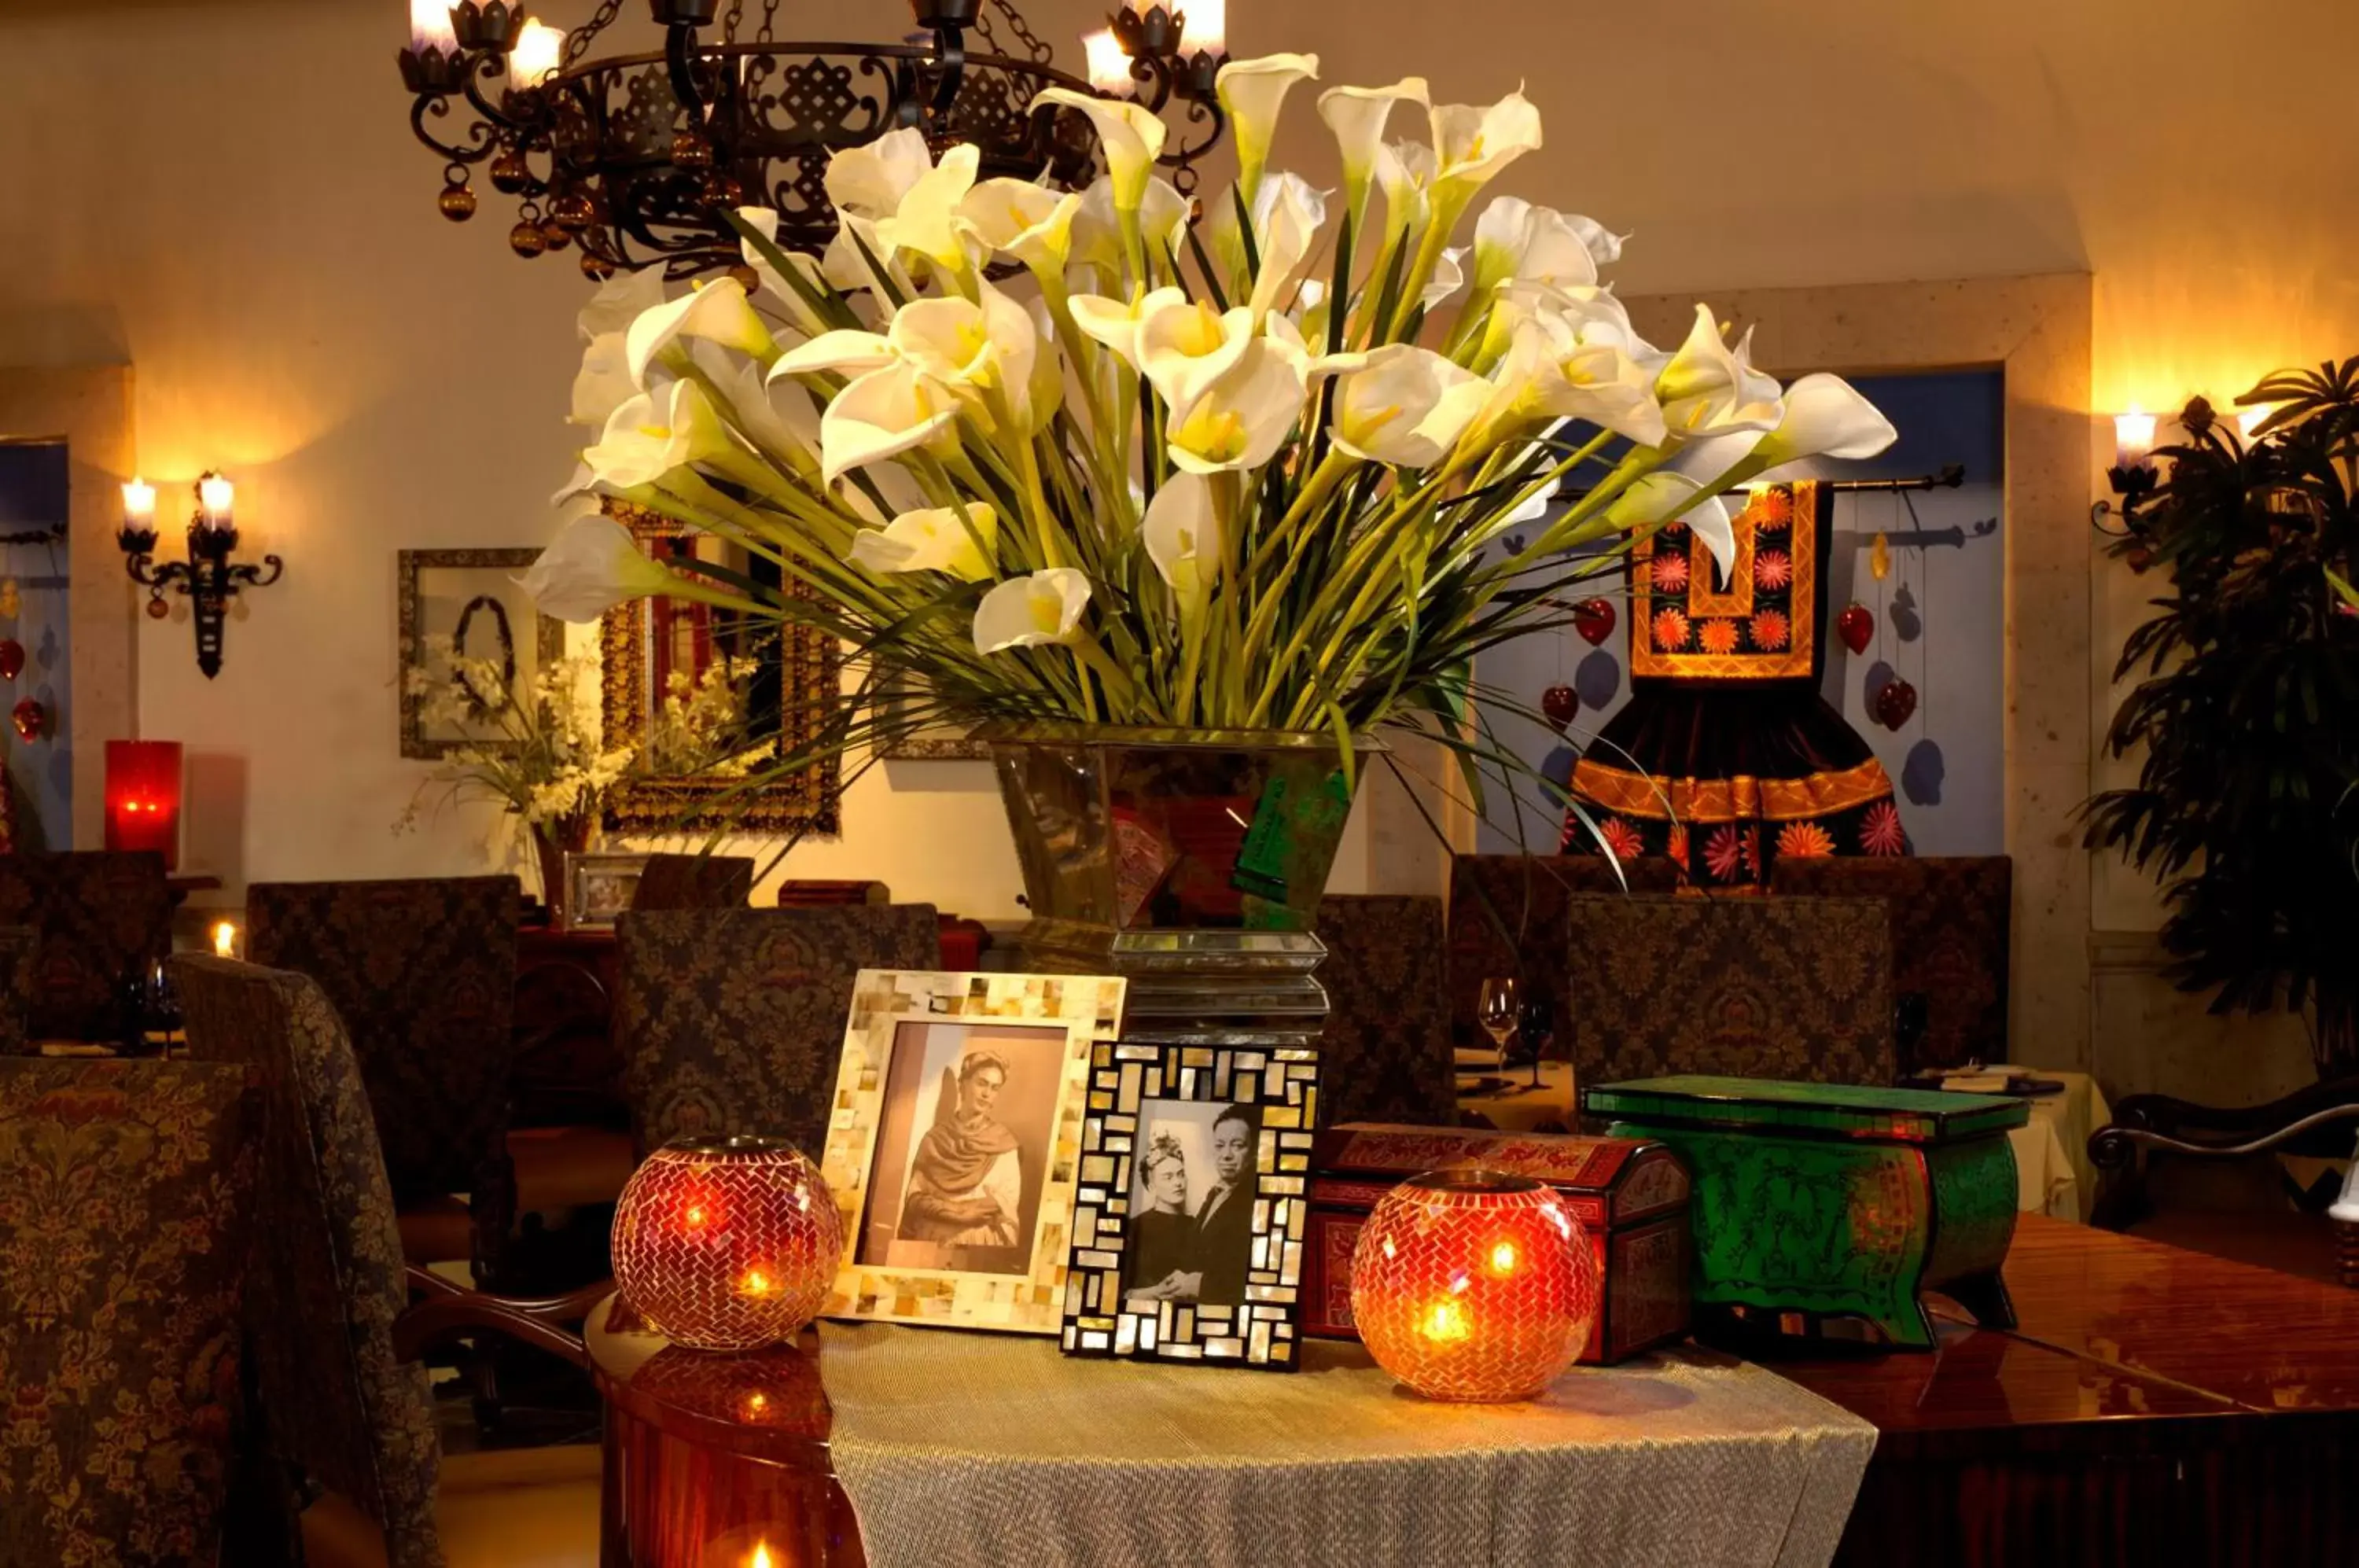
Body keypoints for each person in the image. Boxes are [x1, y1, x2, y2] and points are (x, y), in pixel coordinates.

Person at [897, 1049, 1023, 1261]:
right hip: (931, 1240)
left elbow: (1006, 1201)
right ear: (963, 1084)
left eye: (995, 1088)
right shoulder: (935, 1139)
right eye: (982, 1083)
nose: (987, 1094)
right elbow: (915, 1197)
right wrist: (955, 1211)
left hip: (978, 1243)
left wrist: (965, 1210)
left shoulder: (1004, 1143)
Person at [1191, 1106, 1260, 1307]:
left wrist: (1199, 1284)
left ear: (1254, 1150)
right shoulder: (1215, 1193)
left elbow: (1248, 1280)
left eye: (1237, 1145)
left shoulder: (1255, 1201)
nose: (1226, 1155)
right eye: (1219, 1146)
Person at [1123, 1132, 1195, 1303]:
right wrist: (1156, 1292)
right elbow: (1117, 1293)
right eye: (1168, 1177)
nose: (1178, 1183)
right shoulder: (1134, 1227)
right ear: (1151, 1186)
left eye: (1180, 1174)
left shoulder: (1197, 1225)